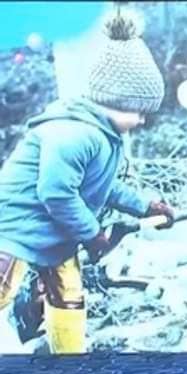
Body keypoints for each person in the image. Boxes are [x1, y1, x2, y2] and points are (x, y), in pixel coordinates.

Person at [0, 13, 175, 353]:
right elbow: (56, 193)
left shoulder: (105, 136)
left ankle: (70, 360)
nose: (141, 120)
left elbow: (102, 186)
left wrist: (144, 206)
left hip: (55, 232)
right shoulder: (74, 134)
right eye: (139, 111)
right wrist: (93, 234)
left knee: (68, 295)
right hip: (16, 227)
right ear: (115, 100)